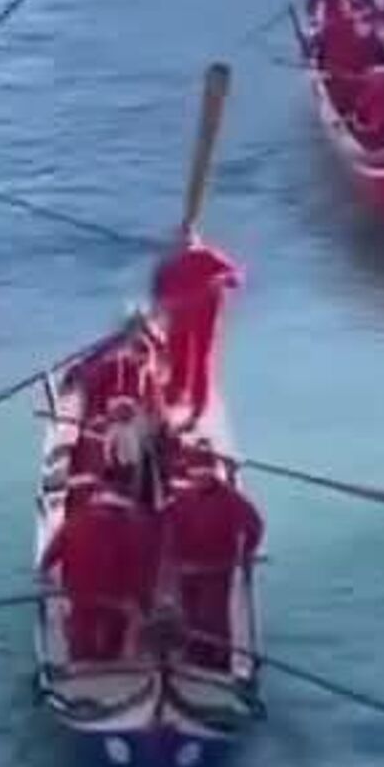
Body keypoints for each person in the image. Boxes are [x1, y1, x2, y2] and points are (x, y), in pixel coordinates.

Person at [162, 462, 262, 670]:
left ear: (211, 475)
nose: (199, 479)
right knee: (190, 615)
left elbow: (254, 524)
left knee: (214, 616)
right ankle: (194, 655)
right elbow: (164, 523)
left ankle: (218, 659)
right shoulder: (182, 498)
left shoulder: (231, 499)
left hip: (216, 569)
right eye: (196, 476)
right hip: (186, 569)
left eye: (203, 475)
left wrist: (247, 551)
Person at [39, 488, 157, 663]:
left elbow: (51, 554)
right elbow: (139, 568)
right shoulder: (131, 529)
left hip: (80, 591)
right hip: (115, 595)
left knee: (82, 630)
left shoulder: (74, 522)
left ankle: (80, 662)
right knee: (114, 630)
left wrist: (44, 571)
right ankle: (109, 660)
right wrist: (144, 601)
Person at [151, 231, 242, 422]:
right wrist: (159, 307)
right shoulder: (168, 265)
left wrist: (223, 279)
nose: (187, 249)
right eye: (182, 246)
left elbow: (235, 276)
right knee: (177, 354)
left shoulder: (206, 256)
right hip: (179, 314)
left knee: (200, 358)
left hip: (204, 316)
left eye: (189, 245)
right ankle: (177, 395)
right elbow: (158, 292)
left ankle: (198, 404)